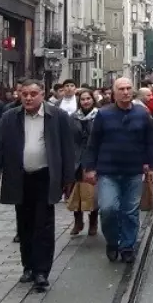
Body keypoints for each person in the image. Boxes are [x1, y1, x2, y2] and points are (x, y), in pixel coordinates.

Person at [0, 79, 76, 292]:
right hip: (20, 176)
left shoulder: (58, 116)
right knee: (25, 224)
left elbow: (67, 150)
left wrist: (68, 179)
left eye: (33, 94)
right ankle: (28, 266)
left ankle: (41, 271)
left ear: (42, 94)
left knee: (44, 225)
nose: (28, 98)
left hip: (46, 176)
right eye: (24, 94)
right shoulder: (10, 117)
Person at [84, 78, 153, 264]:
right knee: (108, 209)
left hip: (133, 170)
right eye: (121, 89)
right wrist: (90, 168)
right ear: (114, 93)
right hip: (108, 171)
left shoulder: (142, 114)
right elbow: (93, 143)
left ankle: (127, 246)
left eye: (128, 88)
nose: (125, 92)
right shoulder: (103, 114)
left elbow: (150, 142)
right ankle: (112, 242)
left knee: (130, 212)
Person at [68, 89, 99, 236]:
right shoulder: (73, 117)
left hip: (93, 158)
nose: (85, 102)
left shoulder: (99, 116)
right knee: (76, 192)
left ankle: (93, 222)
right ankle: (78, 221)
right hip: (76, 158)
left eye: (88, 99)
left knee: (92, 192)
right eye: (82, 99)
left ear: (93, 100)